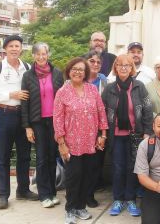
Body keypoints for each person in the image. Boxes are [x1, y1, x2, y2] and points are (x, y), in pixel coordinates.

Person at [0, 35, 38, 209]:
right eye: (11, 46)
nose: (15, 49)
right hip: (3, 114)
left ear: (21, 49)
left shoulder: (28, 67)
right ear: (5, 49)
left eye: (18, 46)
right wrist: (11, 95)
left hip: (23, 116)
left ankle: (23, 190)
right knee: (3, 157)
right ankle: (3, 195)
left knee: (24, 155)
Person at [53, 57, 108, 224]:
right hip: (71, 144)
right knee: (73, 177)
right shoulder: (62, 92)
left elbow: (101, 112)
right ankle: (70, 209)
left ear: (85, 73)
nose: (77, 72)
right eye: (74, 69)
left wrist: (103, 135)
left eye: (81, 70)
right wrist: (61, 144)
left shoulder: (92, 90)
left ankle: (80, 207)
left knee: (88, 176)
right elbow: (57, 119)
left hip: (91, 142)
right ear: (69, 71)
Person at [101, 54, 153, 217]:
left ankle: (130, 199)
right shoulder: (109, 89)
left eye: (127, 65)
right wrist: (102, 133)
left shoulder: (139, 86)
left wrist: (147, 132)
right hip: (115, 135)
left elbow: (148, 110)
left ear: (132, 68)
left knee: (132, 168)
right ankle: (118, 199)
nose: (123, 68)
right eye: (120, 65)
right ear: (115, 68)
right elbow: (102, 112)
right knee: (117, 168)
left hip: (136, 135)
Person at [21, 42, 64, 208]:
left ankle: (53, 193)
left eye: (44, 54)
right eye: (37, 54)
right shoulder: (27, 76)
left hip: (54, 121)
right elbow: (24, 103)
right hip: (37, 122)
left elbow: (62, 99)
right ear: (33, 56)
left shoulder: (57, 73)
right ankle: (43, 194)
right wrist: (27, 127)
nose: (41, 57)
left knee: (53, 157)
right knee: (41, 158)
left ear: (48, 55)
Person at [83, 50, 108, 207]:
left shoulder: (104, 80)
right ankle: (78, 193)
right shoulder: (78, 79)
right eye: (92, 61)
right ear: (85, 62)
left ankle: (89, 194)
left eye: (98, 62)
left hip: (99, 128)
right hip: (79, 128)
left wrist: (103, 132)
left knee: (95, 164)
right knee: (80, 164)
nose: (95, 64)